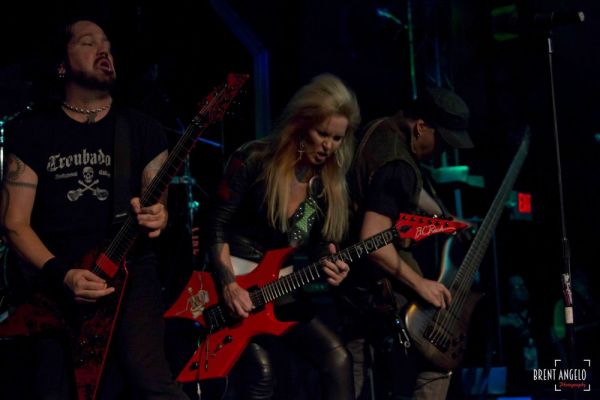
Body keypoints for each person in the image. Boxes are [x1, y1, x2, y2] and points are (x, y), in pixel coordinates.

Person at [0, 19, 188, 399]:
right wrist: (63, 275)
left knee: (150, 380)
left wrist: (159, 216)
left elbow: (158, 203)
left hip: (130, 269)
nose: (103, 50)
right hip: (55, 274)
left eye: (107, 43)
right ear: (61, 65)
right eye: (88, 43)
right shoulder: (31, 130)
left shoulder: (143, 129)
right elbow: (13, 222)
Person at [207, 73, 360, 400]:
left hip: (280, 289)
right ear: (302, 124)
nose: (329, 146)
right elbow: (215, 225)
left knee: (338, 358)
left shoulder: (323, 187)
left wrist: (329, 263)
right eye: (322, 134)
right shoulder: (254, 159)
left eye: (337, 139)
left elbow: (313, 241)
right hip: (232, 288)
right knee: (262, 377)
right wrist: (228, 284)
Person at [342, 87, 474, 400]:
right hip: (374, 278)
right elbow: (373, 240)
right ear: (421, 126)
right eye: (441, 141)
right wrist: (421, 285)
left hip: (349, 278)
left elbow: (408, 190)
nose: (441, 151)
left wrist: (445, 217)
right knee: (439, 351)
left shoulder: (381, 130)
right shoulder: (398, 164)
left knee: (356, 364)